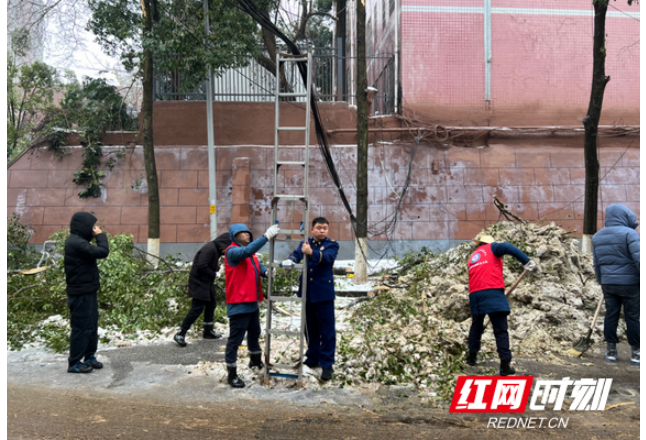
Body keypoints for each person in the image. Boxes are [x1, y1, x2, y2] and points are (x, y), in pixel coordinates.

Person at [466, 234, 536, 376]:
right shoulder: (493, 247)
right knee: (500, 330)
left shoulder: (473, 257)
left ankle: (471, 357)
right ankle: (505, 365)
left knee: (476, 326)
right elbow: (507, 246)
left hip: (474, 294)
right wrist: (526, 261)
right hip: (492, 291)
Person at [282, 217, 340, 382]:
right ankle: (313, 357)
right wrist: (290, 261)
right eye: (319, 228)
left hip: (324, 295)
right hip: (307, 294)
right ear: (312, 230)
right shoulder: (306, 243)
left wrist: (312, 253)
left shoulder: (332, 244)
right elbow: (297, 254)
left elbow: (327, 258)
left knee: (327, 331)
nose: (322, 231)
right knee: (310, 329)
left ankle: (327, 363)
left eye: (325, 228)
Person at [224, 223, 280, 388]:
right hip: (239, 304)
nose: (247, 235)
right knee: (235, 340)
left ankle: (255, 362)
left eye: (248, 232)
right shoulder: (232, 251)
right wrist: (265, 237)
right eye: (242, 233)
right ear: (235, 236)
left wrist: (265, 272)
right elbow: (246, 252)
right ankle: (232, 374)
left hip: (251, 303)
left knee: (255, 333)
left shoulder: (250, 254)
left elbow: (256, 265)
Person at [592, 204, 640, 366]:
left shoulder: (597, 236)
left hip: (608, 284)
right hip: (630, 284)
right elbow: (638, 258)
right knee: (632, 317)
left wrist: (601, 280)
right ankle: (636, 353)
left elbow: (596, 264)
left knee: (611, 315)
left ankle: (611, 351)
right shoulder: (629, 234)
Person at [64, 212, 110, 374]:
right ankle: (74, 362)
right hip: (80, 294)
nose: (94, 229)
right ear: (83, 226)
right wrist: (101, 236)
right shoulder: (76, 243)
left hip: (88, 291)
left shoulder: (79, 241)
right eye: (92, 226)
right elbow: (103, 252)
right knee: (81, 328)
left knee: (91, 326)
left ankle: (89, 356)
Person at [174, 233, 232, 347]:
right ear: (224, 244)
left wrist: (217, 268)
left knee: (211, 304)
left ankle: (208, 331)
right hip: (198, 282)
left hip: (206, 282)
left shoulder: (216, 250)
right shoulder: (210, 249)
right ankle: (180, 333)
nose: (227, 251)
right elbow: (201, 266)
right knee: (197, 308)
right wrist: (214, 273)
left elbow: (209, 264)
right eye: (228, 247)